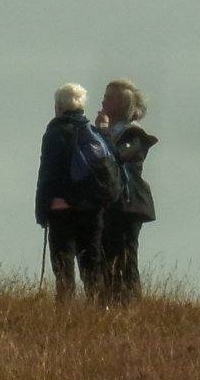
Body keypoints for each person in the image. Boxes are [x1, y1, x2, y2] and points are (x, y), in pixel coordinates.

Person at [34, 83, 112, 303]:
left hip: (61, 210)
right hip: (92, 208)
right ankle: (98, 311)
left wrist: (42, 210)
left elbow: (47, 174)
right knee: (92, 264)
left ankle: (66, 314)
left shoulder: (55, 133)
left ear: (59, 106)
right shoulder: (93, 132)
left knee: (63, 266)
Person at [94, 79, 158, 304]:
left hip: (128, 204)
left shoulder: (135, 135)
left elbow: (115, 157)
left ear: (122, 105)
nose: (102, 100)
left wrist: (102, 132)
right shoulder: (104, 133)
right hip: (109, 203)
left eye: (109, 97)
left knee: (125, 257)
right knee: (105, 256)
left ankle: (131, 305)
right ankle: (109, 304)